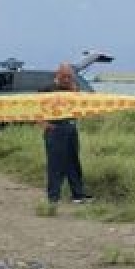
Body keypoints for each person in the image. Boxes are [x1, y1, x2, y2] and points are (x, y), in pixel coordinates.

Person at [41, 62, 91, 204]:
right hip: (54, 130)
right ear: (57, 75)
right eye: (64, 76)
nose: (67, 79)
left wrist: (73, 89)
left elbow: (79, 105)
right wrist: (44, 124)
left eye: (70, 76)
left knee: (73, 162)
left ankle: (78, 194)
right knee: (55, 165)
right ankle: (53, 198)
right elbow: (36, 109)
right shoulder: (47, 89)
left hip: (70, 128)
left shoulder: (72, 89)